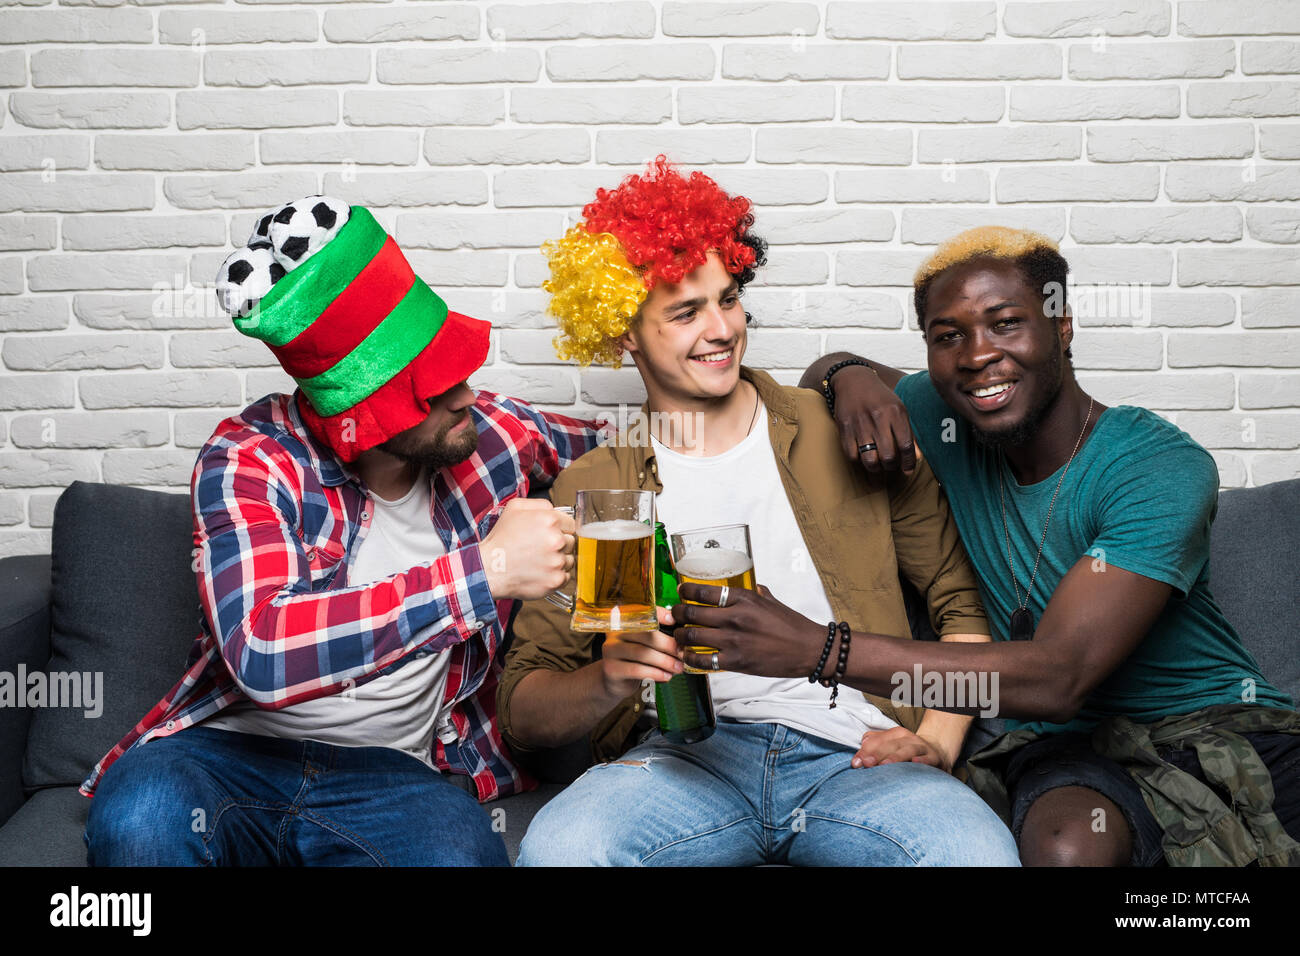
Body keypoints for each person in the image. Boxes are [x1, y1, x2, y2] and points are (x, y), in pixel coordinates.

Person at [675, 225, 1300, 867]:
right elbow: (828, 372)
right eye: (949, 337)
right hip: (1068, 749)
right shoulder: (945, 415)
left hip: (1215, 727)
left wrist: (818, 648)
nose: (978, 356)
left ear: (1063, 326)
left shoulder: (1157, 465)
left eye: (1006, 323)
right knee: (1066, 846)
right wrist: (849, 377)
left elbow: (1061, 675)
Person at [499, 160, 1020, 866]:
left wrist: (936, 741)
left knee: (976, 856)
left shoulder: (843, 426)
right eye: (685, 312)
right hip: (687, 760)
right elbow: (523, 708)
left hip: (858, 755)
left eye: (729, 299)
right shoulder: (600, 486)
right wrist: (611, 678)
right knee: (560, 851)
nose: (721, 329)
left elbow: (959, 607)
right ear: (625, 332)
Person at [82, 195, 604, 866]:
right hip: (226, 758)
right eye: (434, 387)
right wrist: (486, 573)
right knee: (143, 822)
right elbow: (262, 652)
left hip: (394, 780)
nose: (466, 396)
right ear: (360, 408)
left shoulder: (491, 436)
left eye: (459, 369)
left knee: (461, 854)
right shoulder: (250, 458)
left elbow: (630, 453)